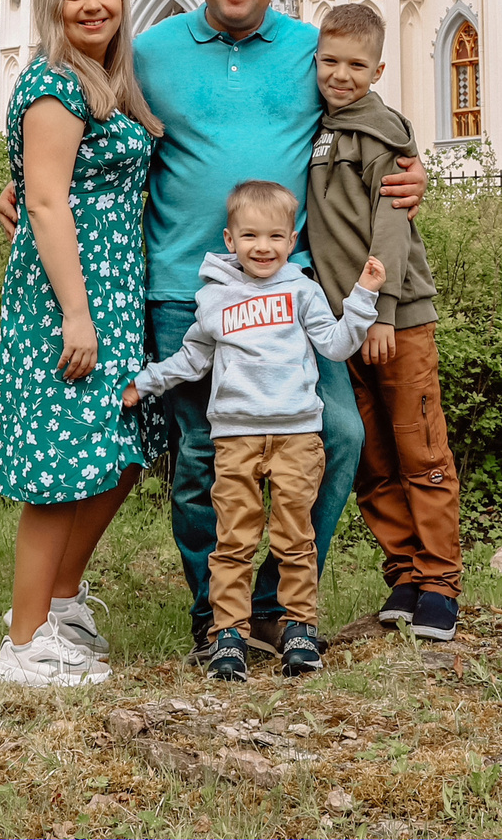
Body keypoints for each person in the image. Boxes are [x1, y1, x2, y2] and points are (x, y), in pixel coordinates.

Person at [0, 0, 425, 661]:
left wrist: (413, 168)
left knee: (339, 431)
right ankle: (215, 617)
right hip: (177, 287)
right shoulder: (146, 50)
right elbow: (69, 133)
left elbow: (368, 113)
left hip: (289, 289)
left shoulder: (306, 50)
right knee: (200, 454)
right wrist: (17, 191)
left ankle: (278, 607)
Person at [0, 0, 163, 688]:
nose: (94, 5)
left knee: (118, 451)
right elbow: (49, 200)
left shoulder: (108, 83)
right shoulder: (55, 83)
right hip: (71, 297)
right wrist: (76, 314)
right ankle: (23, 648)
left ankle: (58, 605)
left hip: (114, 292)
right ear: (53, 8)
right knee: (60, 468)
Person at [126, 181, 381, 680]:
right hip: (236, 439)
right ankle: (228, 636)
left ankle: (299, 628)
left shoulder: (302, 290)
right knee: (234, 539)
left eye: (274, 237)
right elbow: (192, 358)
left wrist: (363, 297)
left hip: (297, 437)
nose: (261, 247)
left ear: (292, 240)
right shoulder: (215, 300)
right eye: (249, 236)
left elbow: (335, 345)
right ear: (229, 240)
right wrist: (146, 382)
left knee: (295, 538)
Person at [304, 1, 462, 642]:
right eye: (330, 62)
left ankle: (440, 582)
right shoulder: (317, 127)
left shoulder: (385, 133)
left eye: (355, 65)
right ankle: (403, 571)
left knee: (420, 450)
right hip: (340, 325)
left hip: (392, 323)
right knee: (371, 457)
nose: (340, 75)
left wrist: (383, 314)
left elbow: (391, 229)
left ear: (379, 68)